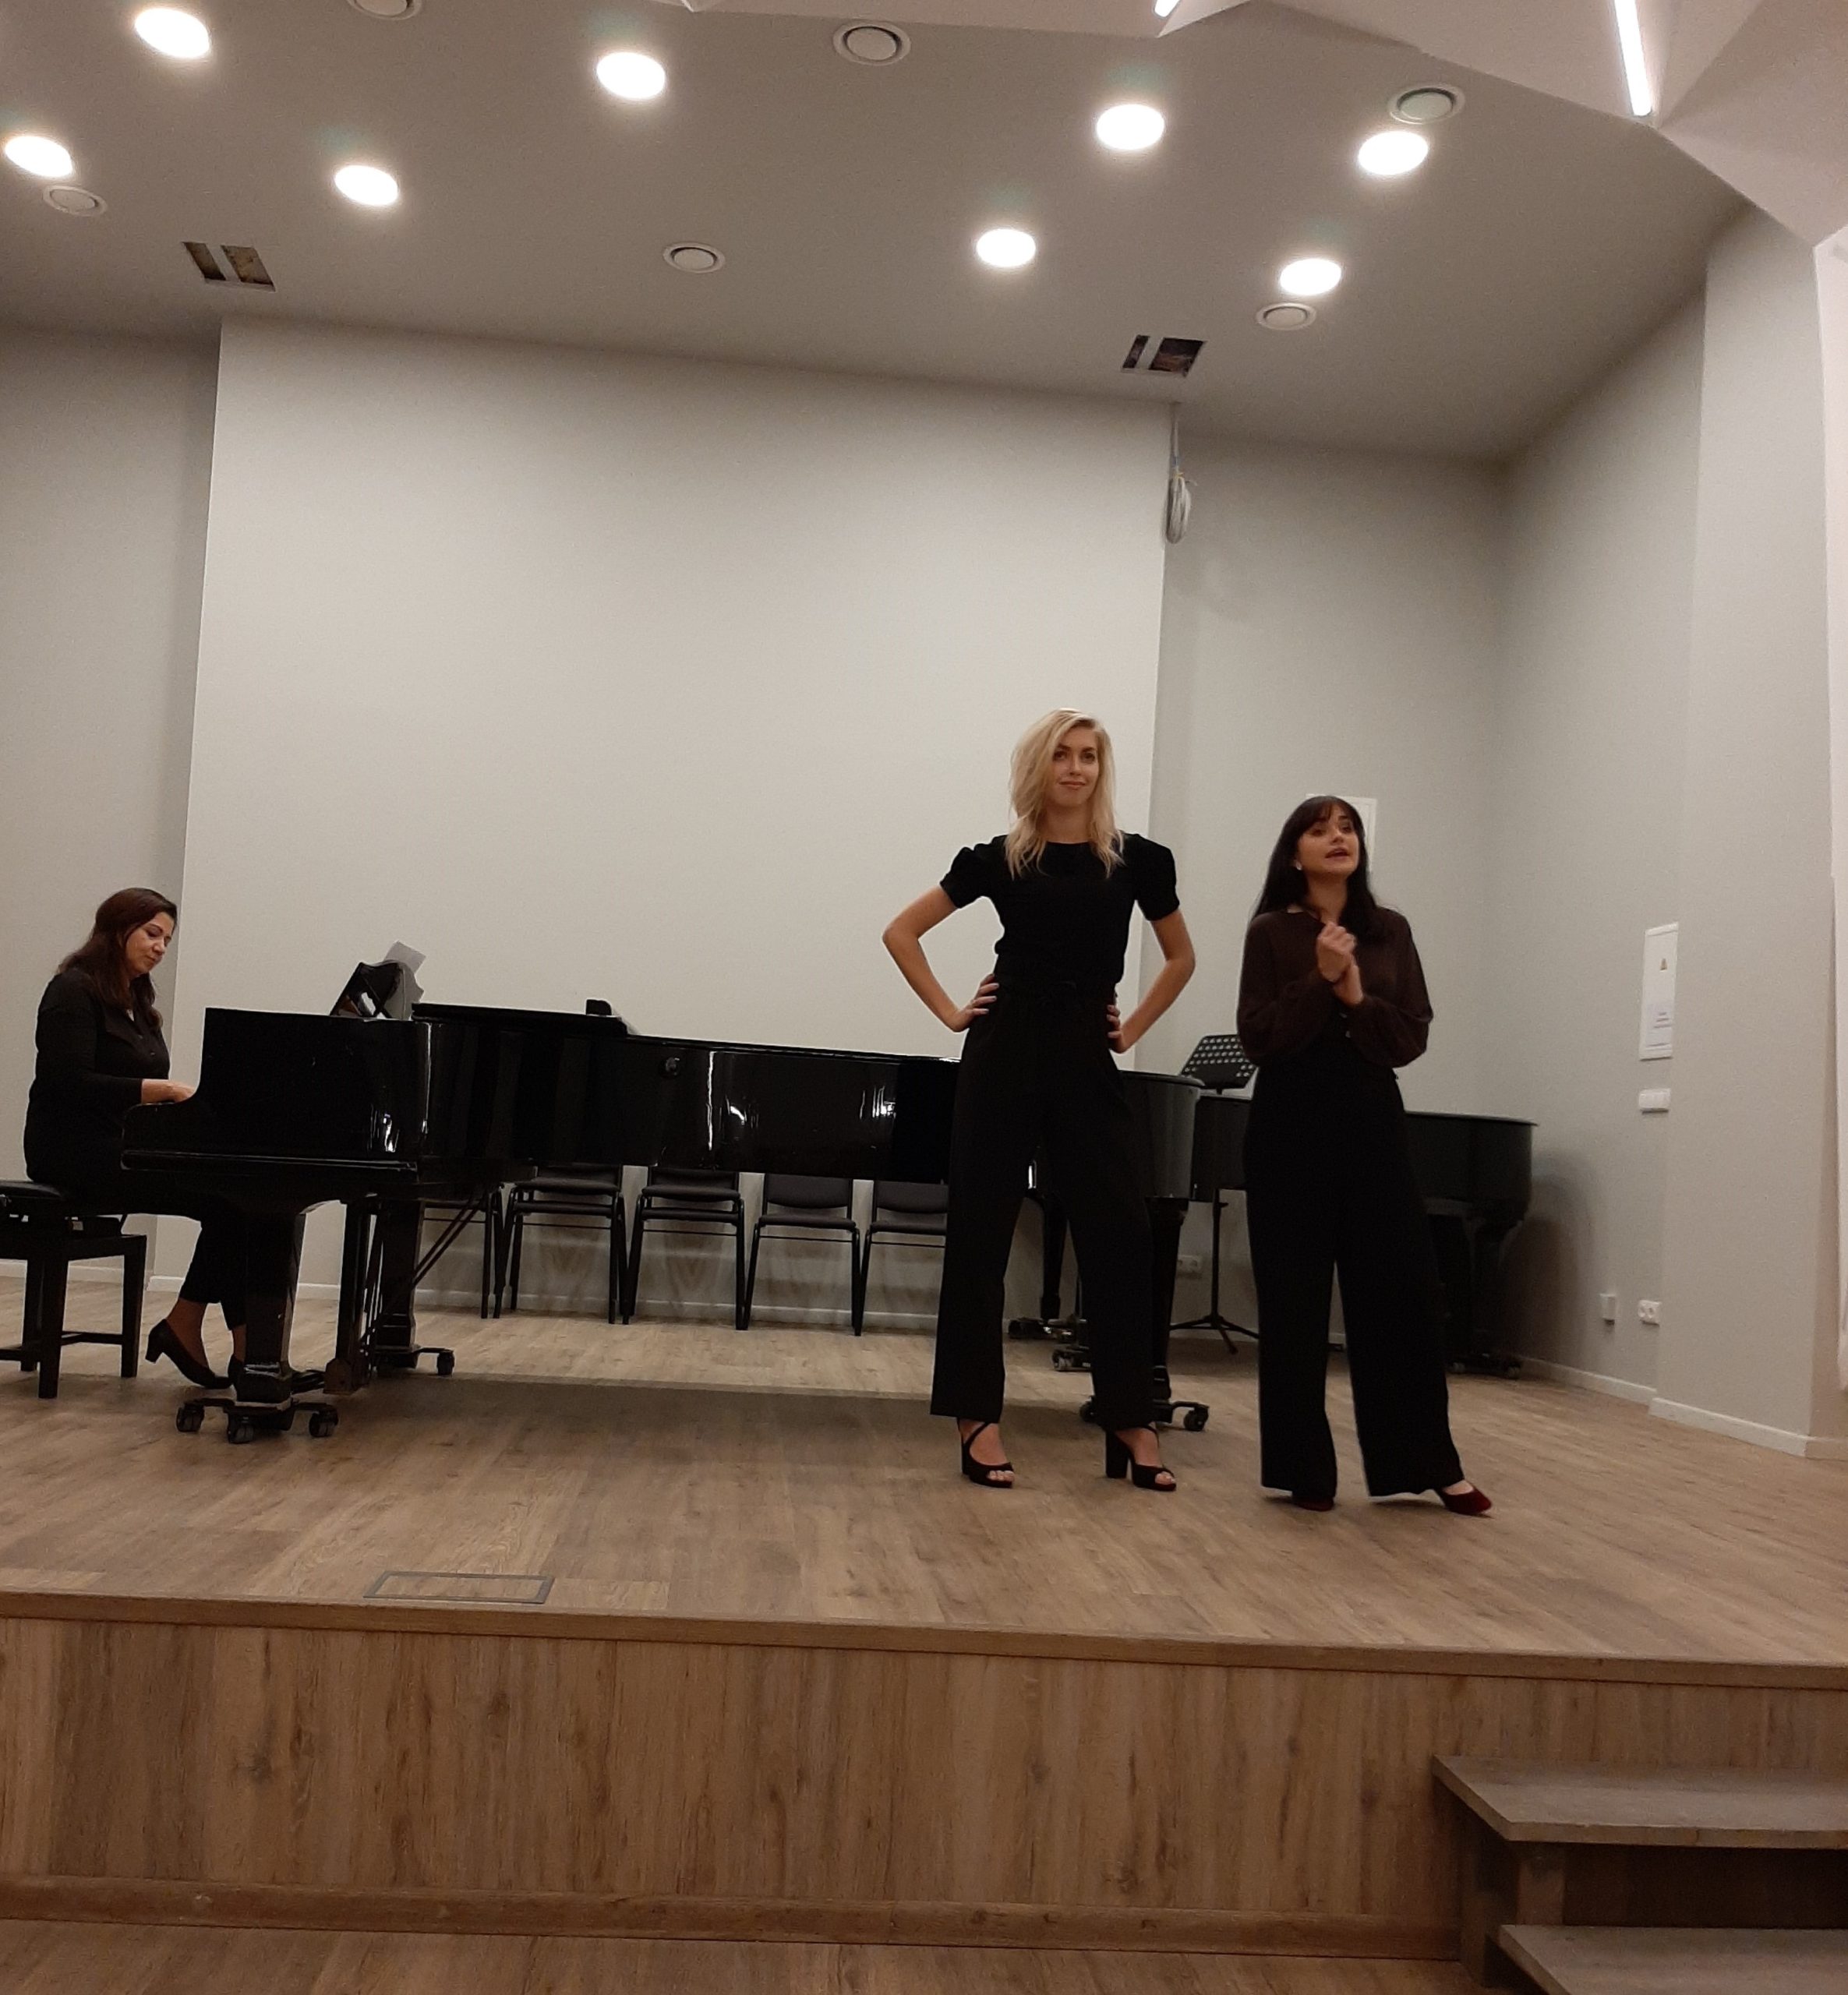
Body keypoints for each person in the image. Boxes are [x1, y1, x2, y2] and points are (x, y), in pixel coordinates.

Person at [882, 709, 1196, 1491]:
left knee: (1120, 1233)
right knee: (980, 1233)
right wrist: (952, 1012)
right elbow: (901, 932)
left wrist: (1131, 1029)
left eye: (1089, 755)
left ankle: (1129, 1418)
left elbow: (1181, 958)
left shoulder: (1138, 861)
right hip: (1005, 1050)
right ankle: (975, 1417)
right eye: (1062, 754)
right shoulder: (998, 859)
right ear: (1038, 766)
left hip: (1086, 1053)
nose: (1077, 768)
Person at [1236, 798, 1490, 1515]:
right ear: (1294, 853)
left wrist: (1352, 995)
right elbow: (1261, 1038)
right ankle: (1303, 1472)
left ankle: (1426, 1463)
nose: (1336, 838)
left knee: (1402, 1296)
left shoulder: (1390, 931)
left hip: (1373, 1121)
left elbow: (1409, 1036)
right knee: (1293, 1301)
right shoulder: (1270, 931)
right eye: (1319, 830)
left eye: (1346, 827)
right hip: (1288, 1124)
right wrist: (1317, 981)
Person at [23, 888, 247, 1390]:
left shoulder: (137, 1004)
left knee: (237, 1198)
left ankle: (226, 1339)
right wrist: (160, 1091)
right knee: (229, 1202)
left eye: (167, 939)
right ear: (118, 929)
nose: (161, 948)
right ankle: (215, 1336)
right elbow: (67, 1082)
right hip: (73, 1151)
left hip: (123, 1147)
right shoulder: (72, 991)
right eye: (152, 934)